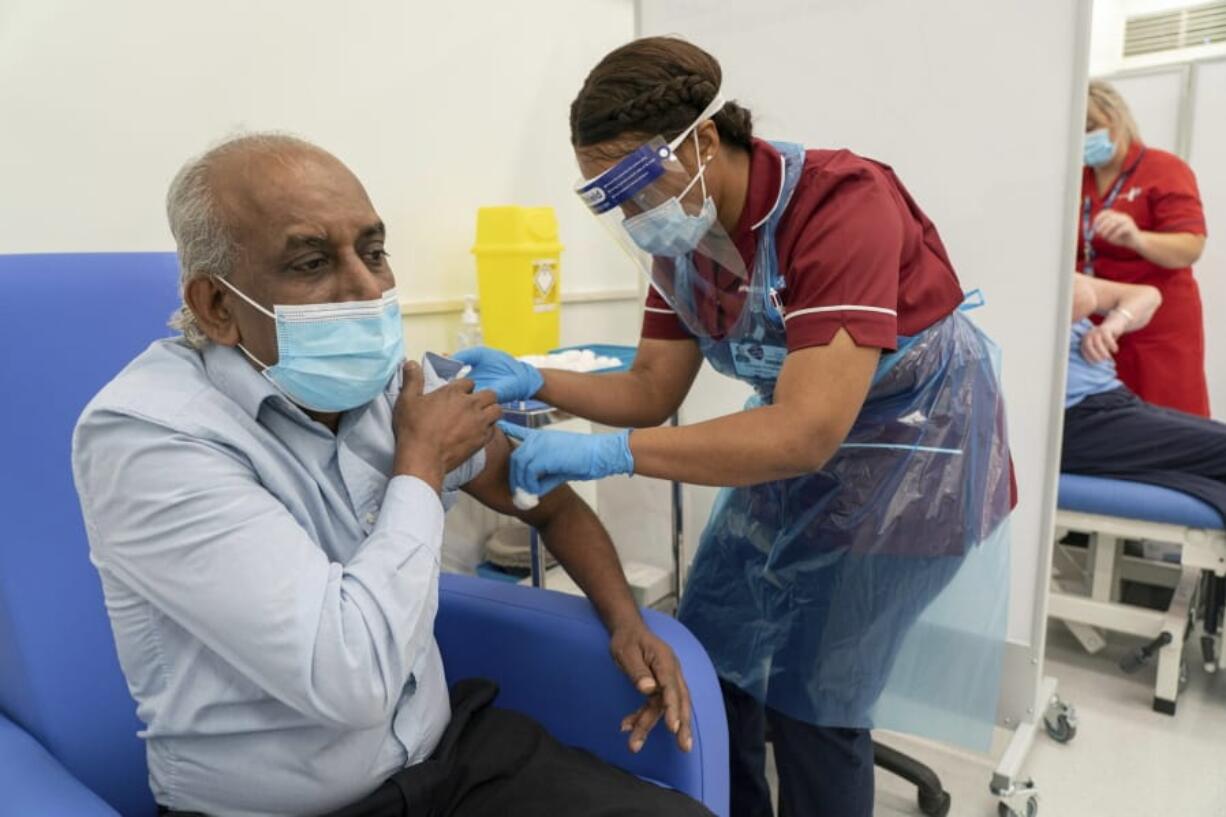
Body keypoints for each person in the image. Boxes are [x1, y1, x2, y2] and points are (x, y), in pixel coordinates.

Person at [71, 133, 711, 817]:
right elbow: (351, 677)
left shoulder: (388, 386)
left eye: (374, 251)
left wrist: (623, 620)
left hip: (448, 757)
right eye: (313, 261)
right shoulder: (150, 438)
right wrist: (419, 464)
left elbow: (542, 498)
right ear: (217, 307)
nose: (368, 286)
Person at [456, 37, 1013, 817]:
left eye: (635, 185)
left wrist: (607, 453)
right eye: (608, 197)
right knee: (715, 654)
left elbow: (806, 432)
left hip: (910, 459)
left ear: (705, 141)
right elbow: (652, 386)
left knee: (816, 699)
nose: (632, 214)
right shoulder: (683, 239)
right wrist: (532, 376)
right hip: (794, 446)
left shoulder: (842, 203)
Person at [1079, 80, 1209, 415]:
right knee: (1104, 423)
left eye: (1092, 127)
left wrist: (1137, 238)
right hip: (1095, 325)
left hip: (1156, 326)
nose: (1085, 138)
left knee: (1167, 419)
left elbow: (1190, 246)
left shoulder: (1163, 170)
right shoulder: (1078, 179)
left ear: (1117, 118)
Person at [1063, 273, 1226, 520]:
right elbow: (1080, 298)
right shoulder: (1016, 272)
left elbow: (1147, 295)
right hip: (1077, 418)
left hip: (1109, 401)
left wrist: (1114, 323)